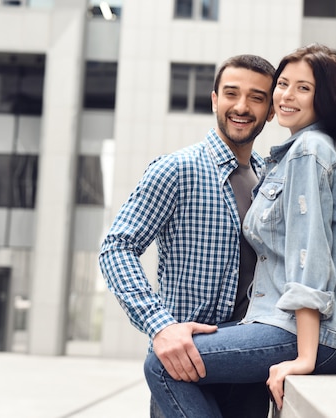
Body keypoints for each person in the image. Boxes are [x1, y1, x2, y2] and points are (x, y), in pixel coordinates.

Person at [144, 43, 336, 417]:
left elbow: (308, 255)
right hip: (286, 328)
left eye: (304, 88)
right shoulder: (289, 157)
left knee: (163, 363)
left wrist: (304, 358)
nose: (287, 95)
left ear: (326, 98)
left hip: (305, 333)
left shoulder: (308, 152)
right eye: (283, 84)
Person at [99, 54, 277, 417]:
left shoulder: (270, 181)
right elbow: (116, 248)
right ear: (214, 99)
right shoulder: (177, 169)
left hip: (250, 375)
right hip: (184, 368)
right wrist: (159, 326)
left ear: (271, 110)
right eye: (231, 93)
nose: (241, 107)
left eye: (257, 97)